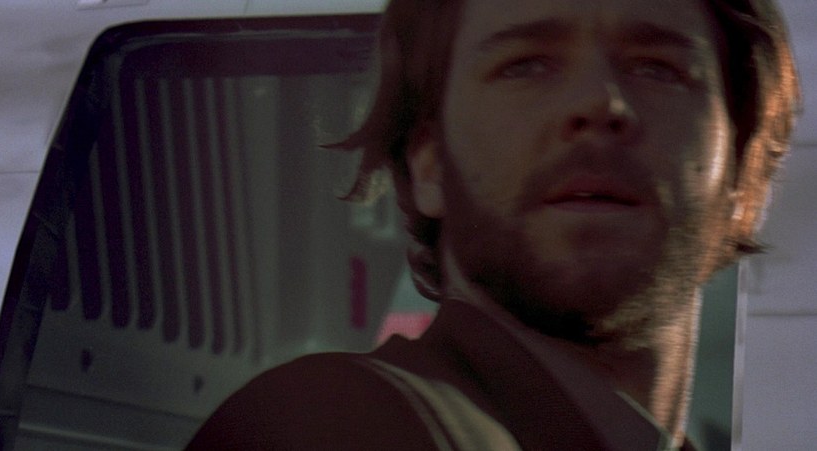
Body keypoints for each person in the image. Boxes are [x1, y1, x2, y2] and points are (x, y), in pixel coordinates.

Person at [188, 0, 799, 449]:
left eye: (659, 68)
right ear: (428, 162)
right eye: (525, 65)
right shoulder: (330, 424)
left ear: (743, 178)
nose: (600, 103)